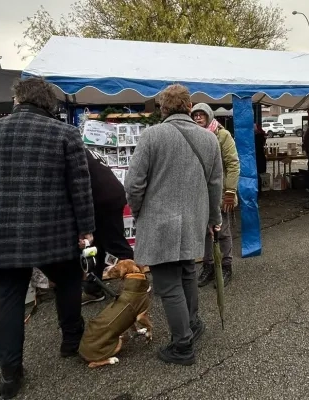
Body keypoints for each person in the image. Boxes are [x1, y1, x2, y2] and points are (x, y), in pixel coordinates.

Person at [0, 77, 95, 399]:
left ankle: (10, 373)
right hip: (54, 226)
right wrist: (86, 229)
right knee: (69, 281)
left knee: (8, 296)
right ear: (51, 105)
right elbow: (80, 187)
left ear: (18, 99)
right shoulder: (65, 134)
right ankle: (71, 341)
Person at [125, 84, 223, 366]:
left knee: (168, 285)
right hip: (193, 220)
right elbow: (215, 185)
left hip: (160, 223)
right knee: (187, 274)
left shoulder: (152, 136)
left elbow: (133, 184)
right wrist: (213, 220)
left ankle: (183, 345)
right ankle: (192, 325)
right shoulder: (209, 140)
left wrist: (139, 210)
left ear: (163, 108)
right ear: (190, 108)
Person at [191, 103, 239, 287]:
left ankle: (226, 267)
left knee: (223, 231)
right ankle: (208, 266)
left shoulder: (222, 135)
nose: (198, 118)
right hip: (200, 194)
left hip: (220, 193)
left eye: (201, 115)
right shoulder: (194, 136)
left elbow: (233, 164)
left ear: (209, 116)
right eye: (195, 115)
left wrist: (230, 191)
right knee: (204, 232)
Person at [82, 148, 134, 305]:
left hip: (104, 199)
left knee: (115, 243)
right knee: (96, 246)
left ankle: (136, 283)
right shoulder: (81, 148)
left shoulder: (72, 149)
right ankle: (93, 289)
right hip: (107, 195)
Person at [255, 123, 267, 197]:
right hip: (260, 158)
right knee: (258, 175)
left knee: (257, 176)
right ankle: (259, 191)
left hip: (257, 158)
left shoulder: (256, 138)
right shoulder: (261, 136)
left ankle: (258, 192)